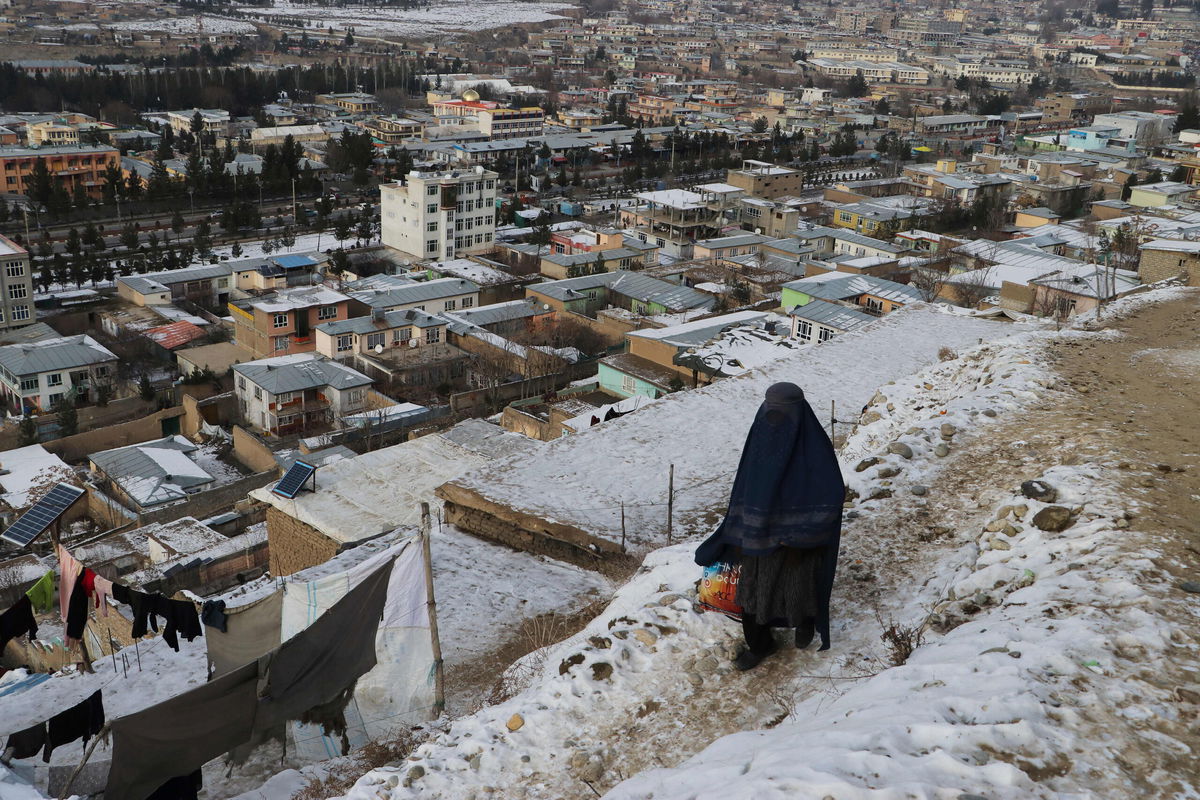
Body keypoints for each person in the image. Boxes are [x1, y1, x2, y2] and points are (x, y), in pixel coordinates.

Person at [695, 382, 844, 671]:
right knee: (753, 593)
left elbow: (832, 492)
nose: (776, 417)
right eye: (771, 409)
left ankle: (804, 623)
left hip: (798, 543)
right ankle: (761, 644)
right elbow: (746, 486)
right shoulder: (762, 435)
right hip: (757, 535)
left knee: (798, 588)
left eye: (783, 411)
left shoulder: (813, 447)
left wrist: (800, 530)